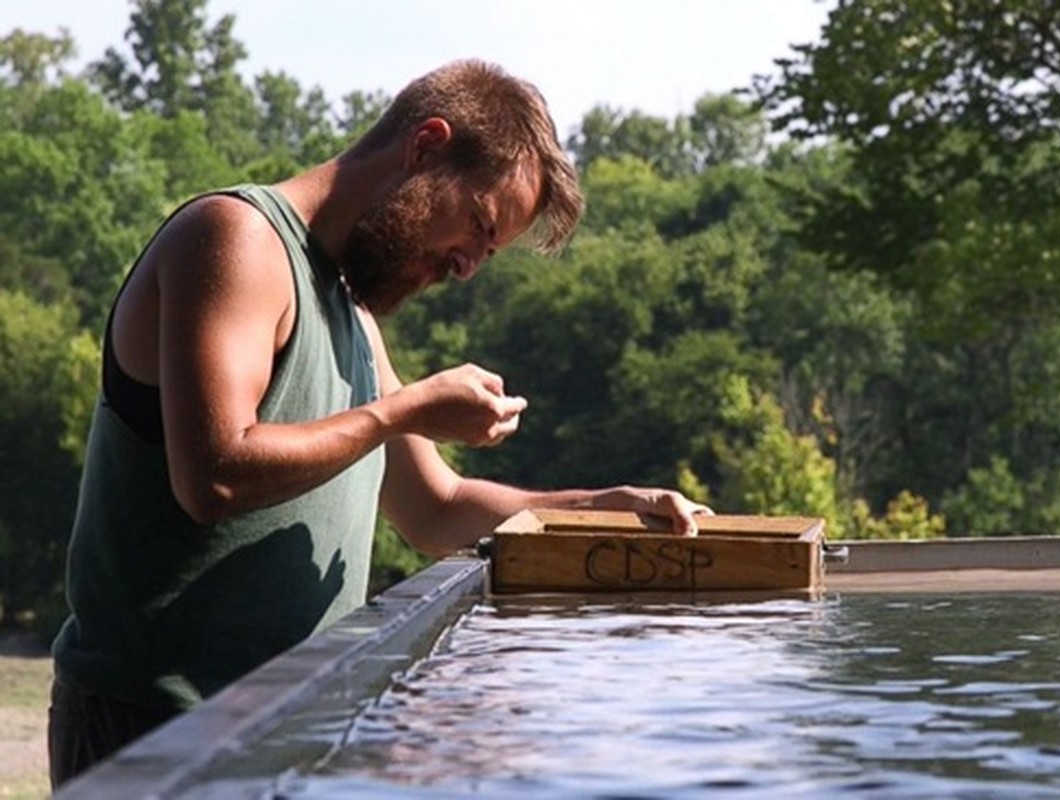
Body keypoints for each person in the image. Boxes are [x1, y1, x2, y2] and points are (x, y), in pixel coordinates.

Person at [48, 58, 711, 788]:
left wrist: (598, 508)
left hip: (292, 726)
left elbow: (436, 510)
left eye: (486, 254)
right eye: (478, 227)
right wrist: (408, 407)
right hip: (160, 727)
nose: (466, 268)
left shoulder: (352, 312)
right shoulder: (236, 239)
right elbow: (215, 476)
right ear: (425, 147)